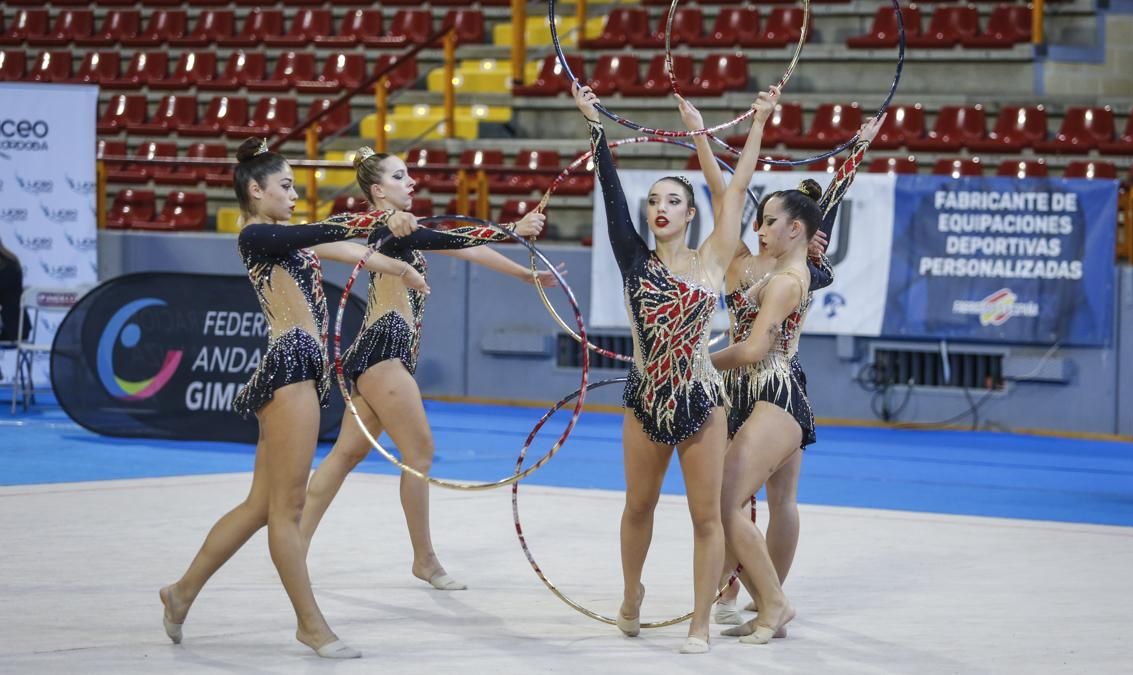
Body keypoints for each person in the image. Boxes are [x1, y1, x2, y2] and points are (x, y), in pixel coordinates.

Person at [158, 138, 428, 659]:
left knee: (259, 506)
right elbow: (324, 232)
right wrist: (377, 218)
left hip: (299, 377)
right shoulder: (257, 235)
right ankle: (310, 626)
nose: (294, 194)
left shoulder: (286, 240)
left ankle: (181, 593)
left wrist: (399, 264)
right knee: (288, 508)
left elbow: (349, 250)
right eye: (285, 186)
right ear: (256, 191)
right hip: (290, 373)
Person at [573, 82, 778, 653]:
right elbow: (610, 192)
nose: (659, 209)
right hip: (645, 398)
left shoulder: (712, 260)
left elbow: (738, 190)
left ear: (690, 214)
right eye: (654, 201)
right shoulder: (633, 259)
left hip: (700, 399)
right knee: (638, 505)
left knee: (706, 516)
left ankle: (699, 623)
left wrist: (758, 123)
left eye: (671, 201)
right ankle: (631, 593)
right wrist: (594, 124)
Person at [299, 147, 560, 591]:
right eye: (401, 176)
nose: (412, 182)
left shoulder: (401, 227)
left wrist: (521, 274)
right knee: (418, 454)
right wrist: (511, 229)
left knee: (345, 455)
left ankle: (294, 543)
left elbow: (465, 249)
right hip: (384, 353)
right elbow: (455, 239)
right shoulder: (387, 226)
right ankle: (425, 560)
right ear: (378, 190)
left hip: (378, 353)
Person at [709, 118, 884, 643]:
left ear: (795, 231)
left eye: (769, 221)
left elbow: (820, 207)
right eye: (758, 219)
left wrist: (858, 148)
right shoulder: (745, 262)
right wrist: (699, 136)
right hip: (745, 386)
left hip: (772, 382)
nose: (758, 227)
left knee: (738, 500)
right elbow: (724, 194)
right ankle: (757, 600)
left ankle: (769, 600)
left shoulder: (792, 272)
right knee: (768, 499)